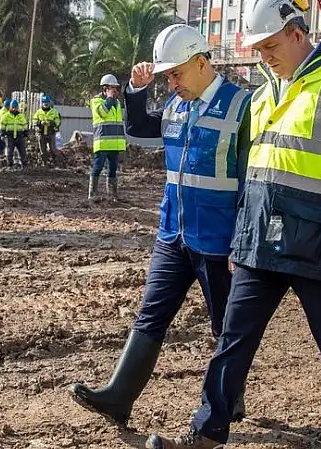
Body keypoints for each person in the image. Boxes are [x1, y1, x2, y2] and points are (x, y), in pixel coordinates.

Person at [145, 0, 321, 449]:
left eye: (271, 46)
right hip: (260, 237)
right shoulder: (261, 96)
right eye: (259, 50)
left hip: (318, 237)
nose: (265, 57)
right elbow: (251, 174)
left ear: (298, 34)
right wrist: (241, 239)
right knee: (233, 337)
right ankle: (207, 431)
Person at [69, 24, 251, 428]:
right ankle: (119, 396)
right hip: (174, 233)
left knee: (225, 324)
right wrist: (136, 90)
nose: (171, 82)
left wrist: (243, 240)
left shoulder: (241, 106)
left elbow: (249, 181)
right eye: (166, 75)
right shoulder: (176, 105)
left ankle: (229, 401)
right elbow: (138, 128)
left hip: (219, 239)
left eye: (176, 74)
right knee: (151, 314)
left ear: (201, 63)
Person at [88, 74, 127, 202]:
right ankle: (92, 194)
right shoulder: (96, 101)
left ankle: (112, 196)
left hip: (115, 144)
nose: (114, 91)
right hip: (103, 142)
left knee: (113, 170)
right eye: (111, 88)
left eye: (115, 88)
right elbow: (103, 113)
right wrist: (109, 99)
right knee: (97, 167)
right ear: (104, 89)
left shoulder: (117, 103)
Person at [0, 99, 29, 167]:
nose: (14, 109)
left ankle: (24, 164)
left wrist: (25, 133)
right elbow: (2, 125)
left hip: (19, 136)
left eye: (15, 107)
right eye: (13, 107)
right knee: (10, 151)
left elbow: (25, 125)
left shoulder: (21, 116)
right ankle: (9, 164)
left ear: (17, 107)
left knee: (22, 151)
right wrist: (2, 134)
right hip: (9, 136)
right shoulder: (6, 116)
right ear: (10, 107)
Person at [33, 94, 61, 163]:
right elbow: (34, 121)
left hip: (51, 132)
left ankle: (57, 162)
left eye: (47, 102)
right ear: (42, 103)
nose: (45, 104)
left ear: (49, 103)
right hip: (41, 133)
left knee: (53, 149)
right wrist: (40, 123)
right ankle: (44, 163)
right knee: (43, 150)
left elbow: (58, 121)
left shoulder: (54, 112)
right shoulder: (38, 112)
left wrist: (51, 123)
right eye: (44, 102)